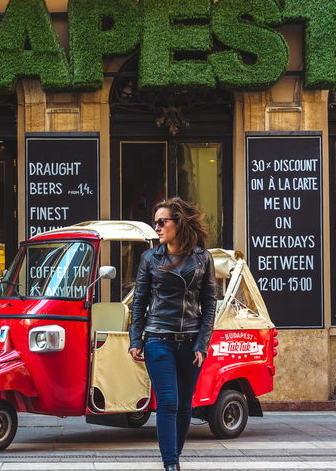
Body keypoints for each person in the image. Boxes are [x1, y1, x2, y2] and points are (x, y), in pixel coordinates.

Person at [129, 197, 217, 471]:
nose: (157, 227)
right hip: (157, 338)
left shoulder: (203, 258)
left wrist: (202, 343)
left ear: (179, 223)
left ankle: (173, 457)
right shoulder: (150, 258)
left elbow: (210, 303)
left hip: (191, 342)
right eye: (155, 222)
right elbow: (139, 302)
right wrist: (136, 340)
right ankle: (171, 464)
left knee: (183, 406)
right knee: (168, 402)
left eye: (162, 221)